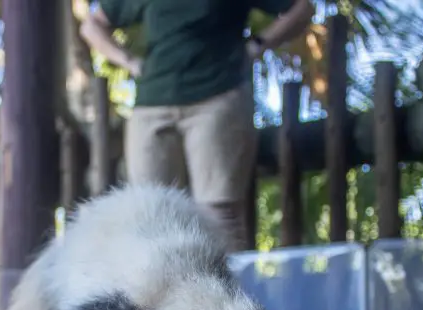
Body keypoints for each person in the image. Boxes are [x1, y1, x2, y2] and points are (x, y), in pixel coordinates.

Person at [79, 0, 315, 250]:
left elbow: (302, 8)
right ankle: (161, 288)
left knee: (219, 213)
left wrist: (257, 45)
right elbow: (92, 26)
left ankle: (222, 287)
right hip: (152, 104)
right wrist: (128, 61)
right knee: (150, 213)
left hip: (217, 97)